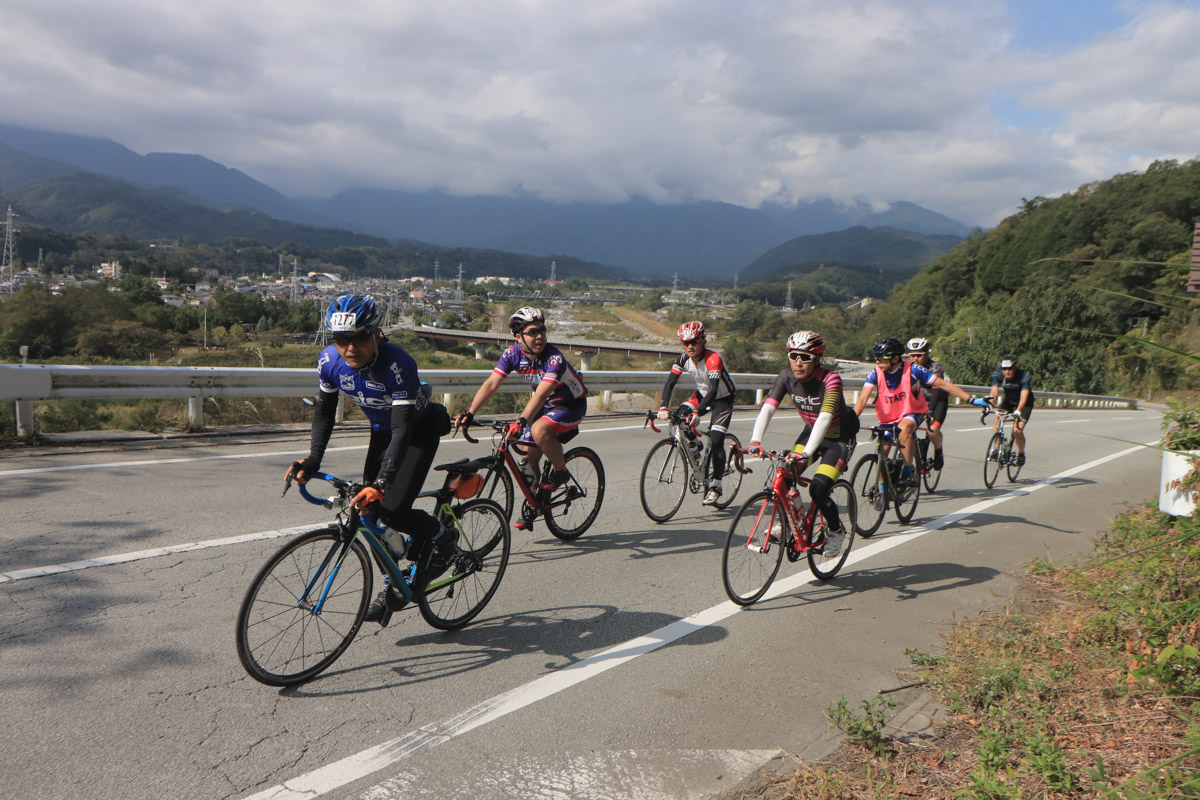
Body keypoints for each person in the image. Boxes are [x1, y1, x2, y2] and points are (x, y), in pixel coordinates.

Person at [285, 293, 454, 625]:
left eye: (360, 337)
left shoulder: (398, 364)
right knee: (367, 512)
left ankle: (443, 538)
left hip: (416, 432)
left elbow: (403, 431)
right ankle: (396, 579)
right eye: (341, 339)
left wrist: (382, 482)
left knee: (392, 509)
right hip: (382, 432)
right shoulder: (329, 362)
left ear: (377, 333)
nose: (350, 347)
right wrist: (313, 459)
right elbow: (324, 412)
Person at [455, 307, 588, 531]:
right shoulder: (512, 355)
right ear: (519, 337)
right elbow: (491, 384)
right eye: (533, 332)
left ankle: (560, 471)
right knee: (526, 460)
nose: (540, 336)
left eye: (542, 331)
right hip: (545, 406)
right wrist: (470, 413)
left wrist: (522, 421)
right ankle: (535, 503)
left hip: (570, 404)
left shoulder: (554, 358)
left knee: (538, 430)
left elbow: (542, 393)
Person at [746, 331, 858, 558]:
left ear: (817, 359)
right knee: (786, 474)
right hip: (810, 433)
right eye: (794, 355)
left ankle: (836, 531)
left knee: (818, 488)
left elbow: (825, 419)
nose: (798, 362)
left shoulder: (830, 380)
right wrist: (755, 440)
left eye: (805, 357)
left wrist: (806, 454)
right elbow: (768, 408)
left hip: (838, 439)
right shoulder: (786, 376)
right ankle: (788, 522)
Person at [854, 337, 989, 486]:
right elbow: (862, 399)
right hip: (889, 416)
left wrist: (971, 399)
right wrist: (852, 420)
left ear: (896, 358)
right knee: (881, 454)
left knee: (905, 429)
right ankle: (882, 490)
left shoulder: (913, 369)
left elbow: (944, 385)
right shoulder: (875, 373)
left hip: (912, 411)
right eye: (877, 358)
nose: (878, 361)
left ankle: (907, 471)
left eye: (882, 357)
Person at [656, 321, 737, 505]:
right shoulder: (683, 358)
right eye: (686, 343)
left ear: (703, 340)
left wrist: (699, 412)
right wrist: (663, 407)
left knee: (717, 439)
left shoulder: (713, 358)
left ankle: (716, 485)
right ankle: (696, 445)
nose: (690, 346)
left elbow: (714, 389)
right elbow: (670, 383)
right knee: (679, 416)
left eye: (694, 341)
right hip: (702, 394)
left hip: (722, 399)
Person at [906, 337, 948, 470]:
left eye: (919, 355)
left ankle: (938, 450)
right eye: (912, 355)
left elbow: (936, 390)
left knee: (932, 430)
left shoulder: (935, 367)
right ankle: (918, 456)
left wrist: (930, 411)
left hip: (937, 401)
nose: (915, 358)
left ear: (927, 354)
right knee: (906, 429)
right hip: (918, 401)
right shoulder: (908, 368)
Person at [988, 354, 1034, 466]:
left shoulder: (1024, 375)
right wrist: (989, 405)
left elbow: (1024, 395)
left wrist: (1018, 410)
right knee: (997, 421)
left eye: (1010, 368)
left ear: (1015, 368)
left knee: (1017, 431)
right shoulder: (997, 375)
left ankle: (1021, 453)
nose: (1007, 371)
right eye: (1004, 369)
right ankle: (997, 448)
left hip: (1025, 403)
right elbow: (994, 392)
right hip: (1008, 401)